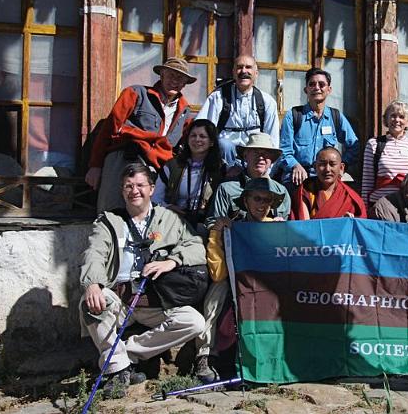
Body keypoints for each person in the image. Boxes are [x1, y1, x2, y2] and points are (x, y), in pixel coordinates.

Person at [79, 163, 206, 398]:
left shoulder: (169, 219)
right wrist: (93, 283)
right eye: (128, 186)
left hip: (156, 301)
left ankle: (124, 356)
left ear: (151, 189)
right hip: (121, 301)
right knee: (91, 303)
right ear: (122, 190)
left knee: (194, 322)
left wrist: (172, 261)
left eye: (140, 185)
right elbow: (94, 253)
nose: (134, 191)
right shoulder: (109, 221)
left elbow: (196, 246)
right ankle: (119, 370)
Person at [196, 177, 287, 382]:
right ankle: (206, 355)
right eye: (257, 199)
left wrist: (282, 234)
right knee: (217, 292)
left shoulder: (278, 228)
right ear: (245, 201)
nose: (262, 205)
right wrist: (217, 233)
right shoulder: (230, 228)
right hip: (235, 286)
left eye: (267, 200)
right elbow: (218, 273)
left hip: (266, 288)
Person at [85, 58, 196, 212]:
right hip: (124, 156)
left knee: (146, 213)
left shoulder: (185, 111)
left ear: (185, 84)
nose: (175, 81)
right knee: (112, 210)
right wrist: (95, 166)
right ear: (161, 75)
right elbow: (109, 129)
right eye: (171, 75)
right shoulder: (135, 93)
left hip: (158, 166)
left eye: (180, 78)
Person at [279, 68, 360, 191]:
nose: (317, 88)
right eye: (312, 84)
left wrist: (339, 166)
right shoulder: (293, 115)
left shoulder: (335, 116)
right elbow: (284, 150)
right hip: (298, 177)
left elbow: (354, 146)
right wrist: (294, 165)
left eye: (321, 84)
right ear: (306, 89)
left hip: (327, 177)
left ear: (329, 90)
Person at [196, 55, 279, 167]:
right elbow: (203, 129)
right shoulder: (218, 97)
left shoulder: (267, 102)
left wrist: (267, 171)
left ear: (256, 73)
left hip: (254, 158)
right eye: (239, 67)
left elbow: (272, 139)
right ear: (234, 72)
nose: (244, 71)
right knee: (224, 144)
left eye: (248, 67)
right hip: (224, 159)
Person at [361, 100, 408, 218]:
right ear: (386, 120)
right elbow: (367, 181)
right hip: (382, 208)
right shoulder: (374, 144)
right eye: (393, 116)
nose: (397, 120)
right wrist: (364, 210)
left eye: (402, 117)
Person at [152, 119, 223, 233]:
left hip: (204, 224)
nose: (197, 139)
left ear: (211, 142)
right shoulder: (173, 166)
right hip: (173, 219)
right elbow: (155, 198)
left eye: (202, 136)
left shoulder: (220, 169)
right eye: (193, 135)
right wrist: (167, 207)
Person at [204, 132, 291, 224]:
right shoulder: (226, 189)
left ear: (272, 160)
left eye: (266, 153)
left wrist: (281, 225)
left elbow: (286, 226)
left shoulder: (281, 191)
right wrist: (222, 225)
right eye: (256, 152)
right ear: (245, 156)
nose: (261, 157)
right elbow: (212, 223)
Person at [290, 147, 367, 220]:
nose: (327, 169)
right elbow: (303, 225)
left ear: (341, 168)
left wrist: (347, 222)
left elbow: (360, 225)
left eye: (332, 164)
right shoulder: (306, 190)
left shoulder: (350, 197)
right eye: (322, 164)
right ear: (315, 167)